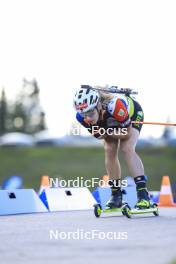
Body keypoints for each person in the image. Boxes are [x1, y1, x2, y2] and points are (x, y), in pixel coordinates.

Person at [73, 86, 151, 209]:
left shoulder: (115, 105)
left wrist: (107, 131)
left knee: (127, 148)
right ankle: (116, 195)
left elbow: (126, 134)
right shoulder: (80, 116)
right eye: (84, 115)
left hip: (131, 114)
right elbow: (98, 135)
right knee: (109, 149)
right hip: (109, 121)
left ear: (98, 105)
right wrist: (106, 131)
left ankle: (143, 194)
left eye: (90, 113)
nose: (87, 118)